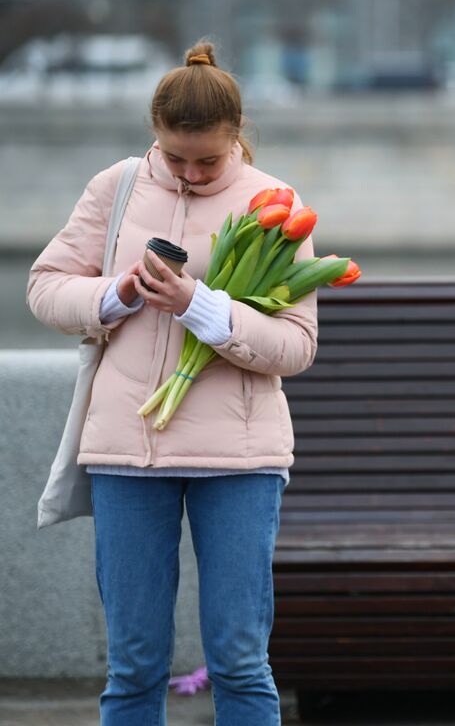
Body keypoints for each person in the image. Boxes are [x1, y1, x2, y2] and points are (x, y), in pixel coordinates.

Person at [28, 40, 319, 725]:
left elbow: (296, 347)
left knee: (240, 664)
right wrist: (116, 296)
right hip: (129, 451)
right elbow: (45, 288)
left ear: (237, 138)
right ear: (154, 139)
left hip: (239, 461)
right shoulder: (118, 186)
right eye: (173, 157)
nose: (187, 174)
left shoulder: (275, 203)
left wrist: (200, 307)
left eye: (207, 161)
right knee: (132, 668)